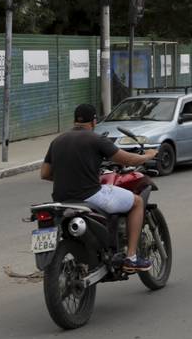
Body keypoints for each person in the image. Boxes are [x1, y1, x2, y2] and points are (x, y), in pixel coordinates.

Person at [40, 103, 160, 272]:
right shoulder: (96, 139)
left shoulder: (57, 141)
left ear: (75, 121)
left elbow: (45, 173)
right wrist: (148, 156)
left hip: (61, 199)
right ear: (94, 121)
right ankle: (131, 258)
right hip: (90, 196)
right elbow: (128, 160)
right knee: (137, 202)